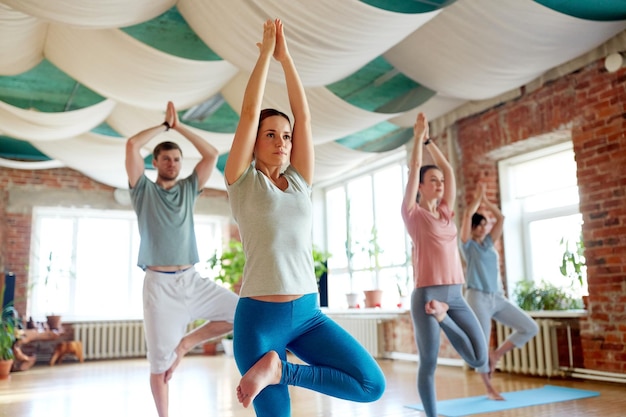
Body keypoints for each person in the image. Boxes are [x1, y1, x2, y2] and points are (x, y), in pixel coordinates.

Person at [223, 19, 386, 417]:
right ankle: (272, 368)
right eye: (271, 135)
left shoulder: (300, 182)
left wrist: (287, 57)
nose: (282, 142)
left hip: (308, 315)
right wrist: (265, 55)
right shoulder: (241, 181)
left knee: (371, 385)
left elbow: (305, 117)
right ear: (254, 143)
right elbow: (247, 113)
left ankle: (280, 371)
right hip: (259, 321)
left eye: (286, 136)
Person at [125, 101, 239, 417]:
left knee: (241, 313)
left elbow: (212, 155)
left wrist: (179, 128)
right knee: (160, 364)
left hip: (192, 279)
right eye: (166, 159)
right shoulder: (142, 191)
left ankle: (187, 343)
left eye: (177, 159)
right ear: (156, 161)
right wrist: (164, 126)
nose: (173, 163)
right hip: (159, 287)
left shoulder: (189, 188)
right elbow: (132, 144)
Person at [400, 112, 488, 417]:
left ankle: (443, 319)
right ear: (420, 187)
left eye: (440, 182)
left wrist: (429, 141)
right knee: (429, 363)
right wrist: (416, 141)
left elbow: (450, 171)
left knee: (479, 359)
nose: (439, 184)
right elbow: (414, 168)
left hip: (455, 297)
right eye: (432, 181)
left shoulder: (447, 213)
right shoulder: (413, 214)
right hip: (427, 295)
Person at [460, 183, 539, 400]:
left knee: (530, 327)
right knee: (481, 343)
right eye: (481, 225)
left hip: (498, 297)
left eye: (486, 225)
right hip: (477, 297)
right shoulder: (468, 247)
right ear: (474, 228)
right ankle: (489, 388)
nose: (485, 229)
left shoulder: (488, 244)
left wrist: (486, 203)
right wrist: (476, 201)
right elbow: (467, 215)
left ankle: (497, 355)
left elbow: (502, 219)